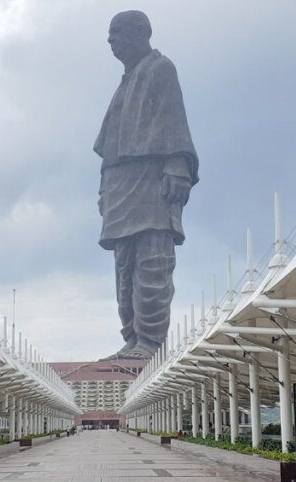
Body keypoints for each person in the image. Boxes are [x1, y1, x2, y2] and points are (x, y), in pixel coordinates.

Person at [94, 10, 199, 360]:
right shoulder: (125, 81)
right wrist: (103, 189)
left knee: (153, 260)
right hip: (119, 183)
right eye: (109, 34)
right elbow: (108, 145)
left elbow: (174, 120)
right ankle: (132, 338)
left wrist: (177, 167)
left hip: (151, 178)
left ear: (141, 32)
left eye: (117, 32)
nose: (111, 40)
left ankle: (151, 342)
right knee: (124, 267)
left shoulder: (160, 68)